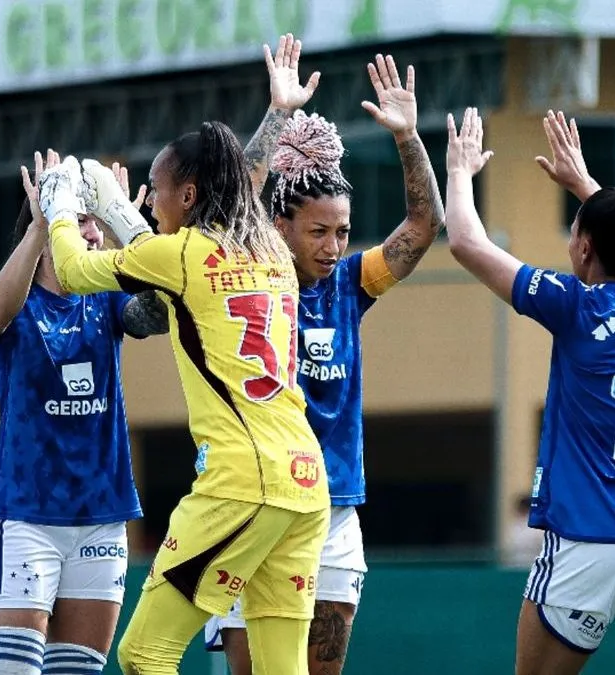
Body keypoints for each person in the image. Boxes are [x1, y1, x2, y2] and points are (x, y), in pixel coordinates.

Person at [28, 36, 330, 671]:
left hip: (241, 481)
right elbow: (229, 205)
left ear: (187, 197)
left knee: (145, 654)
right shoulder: (270, 251)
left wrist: (59, 206)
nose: (154, 200)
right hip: (306, 480)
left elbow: (75, 271)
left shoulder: (183, 253)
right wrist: (277, 115)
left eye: (157, 189)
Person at [442, 107, 615, 674]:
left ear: (585, 247)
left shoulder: (576, 305)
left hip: (593, 531)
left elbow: (466, 242)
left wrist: (460, 172)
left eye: (574, 232)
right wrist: (586, 185)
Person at [203, 54, 446, 675]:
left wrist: (408, 136)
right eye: (319, 232)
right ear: (278, 225)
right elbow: (229, 212)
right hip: (253, 501)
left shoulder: (352, 283)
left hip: (333, 508)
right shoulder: (246, 277)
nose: (334, 246)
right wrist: (277, 112)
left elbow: (425, 225)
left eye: (342, 231)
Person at [0, 149, 167, 675]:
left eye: (95, 222)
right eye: (82, 220)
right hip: (26, 517)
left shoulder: (106, 300)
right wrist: (43, 223)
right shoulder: (4, 297)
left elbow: (160, 313)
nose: (93, 234)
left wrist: (125, 225)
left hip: (102, 518)